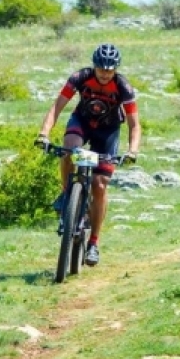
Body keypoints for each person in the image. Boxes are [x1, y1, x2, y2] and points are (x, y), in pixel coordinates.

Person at [35, 43, 141, 267]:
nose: (104, 74)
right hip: (82, 122)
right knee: (68, 150)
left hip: (108, 131)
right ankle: (67, 196)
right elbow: (57, 107)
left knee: (100, 184)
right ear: (94, 66)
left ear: (116, 70)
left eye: (109, 70)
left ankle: (93, 243)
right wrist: (43, 134)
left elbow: (134, 124)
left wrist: (132, 150)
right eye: (101, 69)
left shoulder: (124, 87)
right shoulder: (79, 78)